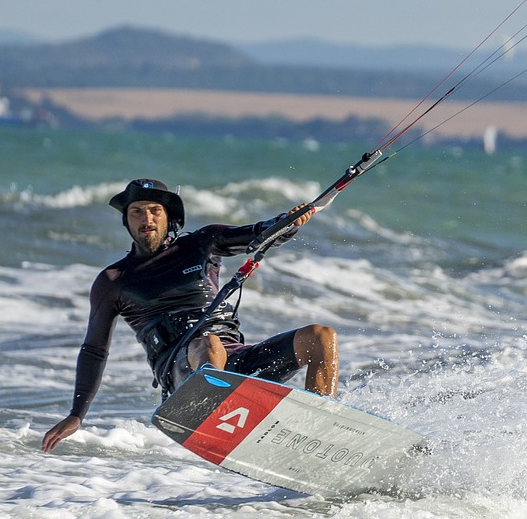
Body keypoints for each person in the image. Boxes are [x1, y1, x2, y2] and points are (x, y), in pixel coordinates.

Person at [41, 178, 339, 453]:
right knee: (207, 343)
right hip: (184, 375)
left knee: (320, 337)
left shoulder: (201, 245)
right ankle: (217, 408)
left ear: (168, 216)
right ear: (126, 220)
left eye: (155, 211)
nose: (147, 219)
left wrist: (286, 222)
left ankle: (319, 430)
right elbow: (94, 350)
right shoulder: (114, 280)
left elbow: (257, 234)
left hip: (234, 360)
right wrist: (76, 414)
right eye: (137, 212)